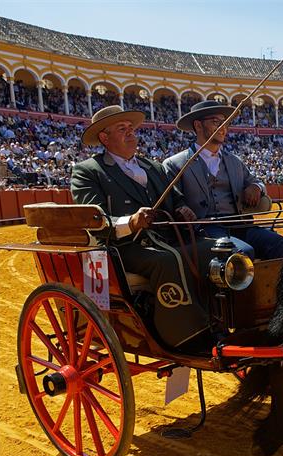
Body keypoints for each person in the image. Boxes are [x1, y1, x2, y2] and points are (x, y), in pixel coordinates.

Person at [70, 105, 218, 352]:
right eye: (122, 129)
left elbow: (176, 198)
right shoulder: (87, 171)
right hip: (122, 247)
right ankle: (184, 335)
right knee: (167, 261)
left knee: (213, 249)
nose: (131, 133)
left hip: (165, 237)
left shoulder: (153, 167)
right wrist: (131, 222)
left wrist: (183, 209)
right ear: (104, 138)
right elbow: (93, 218)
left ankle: (218, 319)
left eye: (131, 128)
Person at [163, 100, 283, 260]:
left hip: (240, 225)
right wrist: (181, 208)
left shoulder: (234, 161)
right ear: (198, 125)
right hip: (204, 229)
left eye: (225, 122)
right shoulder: (175, 164)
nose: (223, 127)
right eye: (215, 122)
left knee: (278, 243)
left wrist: (256, 187)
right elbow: (173, 200)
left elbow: (257, 182)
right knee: (242, 252)